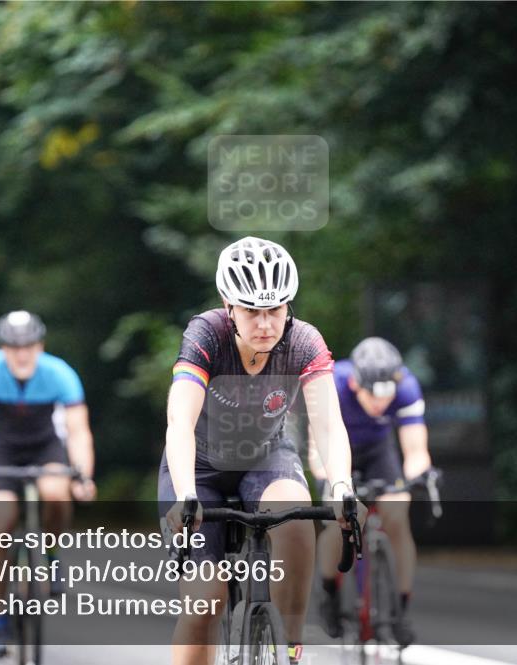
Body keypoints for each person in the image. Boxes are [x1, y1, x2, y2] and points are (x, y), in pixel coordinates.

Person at [160, 236, 363, 665]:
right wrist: (185, 494)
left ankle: (288, 646)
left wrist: (342, 487)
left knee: (296, 519)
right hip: (200, 466)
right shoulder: (206, 334)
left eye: (275, 310)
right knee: (204, 601)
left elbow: (328, 424)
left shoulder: (304, 342)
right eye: (252, 311)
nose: (265, 324)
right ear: (228, 306)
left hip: (266, 456)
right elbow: (179, 422)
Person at [0, 310, 97, 657]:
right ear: (2, 348)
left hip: (45, 447)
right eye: (13, 347)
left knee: (56, 492)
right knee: (1, 521)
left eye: (28, 346)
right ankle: (0, 617)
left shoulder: (60, 373)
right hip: (4, 450)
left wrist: (83, 476)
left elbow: (78, 431)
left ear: (40, 346)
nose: (21, 354)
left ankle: (51, 553)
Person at [309, 337, 431, 647]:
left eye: (387, 395)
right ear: (355, 383)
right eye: (372, 395)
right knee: (336, 523)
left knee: (397, 516)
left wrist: (415, 478)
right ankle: (330, 593)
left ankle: (400, 609)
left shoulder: (406, 387)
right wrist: (331, 480)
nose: (380, 403)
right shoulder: (332, 384)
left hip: (379, 452)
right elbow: (317, 446)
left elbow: (416, 450)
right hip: (336, 451)